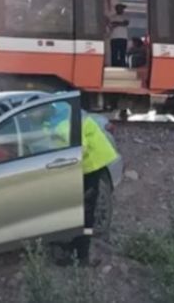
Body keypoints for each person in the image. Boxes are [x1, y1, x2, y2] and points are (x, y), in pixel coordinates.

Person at [55, 112, 120, 266]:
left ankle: (82, 254)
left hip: (92, 165)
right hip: (91, 163)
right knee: (83, 209)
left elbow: (80, 150)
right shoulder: (63, 118)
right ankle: (77, 244)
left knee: (86, 211)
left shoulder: (63, 126)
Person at [108, 3, 130, 67]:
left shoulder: (126, 16)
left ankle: (122, 65)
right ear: (116, 9)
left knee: (122, 53)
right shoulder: (112, 17)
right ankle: (114, 66)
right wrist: (120, 23)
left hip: (123, 37)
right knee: (114, 53)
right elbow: (111, 25)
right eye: (120, 8)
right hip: (114, 37)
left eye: (122, 8)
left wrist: (116, 23)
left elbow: (126, 23)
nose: (122, 10)